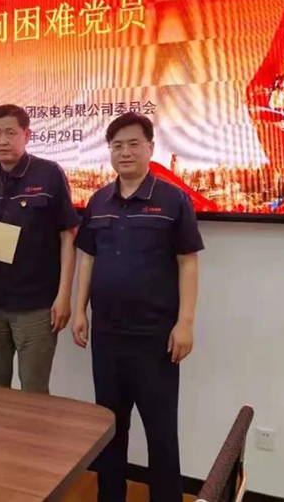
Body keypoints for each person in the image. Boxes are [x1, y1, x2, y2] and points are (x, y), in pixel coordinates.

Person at [72, 112, 203, 502]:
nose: (125, 152)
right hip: (107, 335)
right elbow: (87, 258)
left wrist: (185, 323)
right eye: (117, 146)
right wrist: (79, 311)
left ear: (150, 147)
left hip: (155, 337)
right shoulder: (98, 200)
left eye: (133, 144)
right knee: (110, 428)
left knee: (161, 431)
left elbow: (188, 262)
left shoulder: (172, 199)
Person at [0, 104, 79, 394]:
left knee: (34, 392)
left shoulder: (49, 174)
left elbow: (68, 235)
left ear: (27, 135)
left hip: (35, 304)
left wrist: (64, 295)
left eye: (10, 133)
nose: (2, 141)